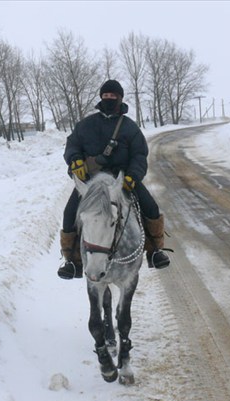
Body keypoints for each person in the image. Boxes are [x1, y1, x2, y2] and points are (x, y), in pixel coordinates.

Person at [58, 79, 171, 279]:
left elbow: (139, 155)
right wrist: (75, 161)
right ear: (101, 97)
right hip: (92, 183)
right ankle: (72, 261)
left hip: (123, 180)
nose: (108, 98)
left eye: (112, 96)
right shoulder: (85, 125)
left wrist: (132, 177)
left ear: (120, 98)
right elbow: (72, 145)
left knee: (151, 208)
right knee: (69, 214)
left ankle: (155, 251)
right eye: (105, 95)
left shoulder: (130, 127)